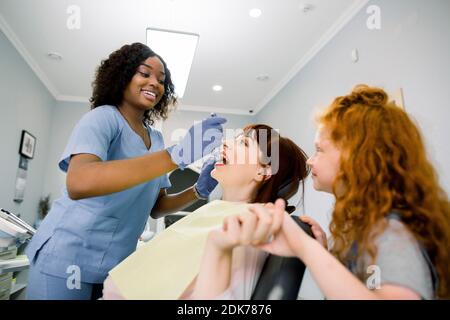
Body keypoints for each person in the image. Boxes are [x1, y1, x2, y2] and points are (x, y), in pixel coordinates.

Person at [194, 85, 450, 300]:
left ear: (357, 158)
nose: (310, 161)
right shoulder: (364, 230)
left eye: (320, 150)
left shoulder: (391, 231)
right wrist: (324, 254)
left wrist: (305, 247)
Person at [26, 43, 226, 300]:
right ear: (122, 76)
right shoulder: (102, 119)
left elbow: (156, 206)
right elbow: (79, 182)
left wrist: (197, 190)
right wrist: (174, 156)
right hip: (66, 256)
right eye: (144, 73)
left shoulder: (156, 138)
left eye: (161, 80)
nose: (155, 83)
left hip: (114, 266)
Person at [102, 124, 310, 299]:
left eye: (244, 143)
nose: (225, 143)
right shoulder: (220, 210)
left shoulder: (250, 226)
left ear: (263, 171)